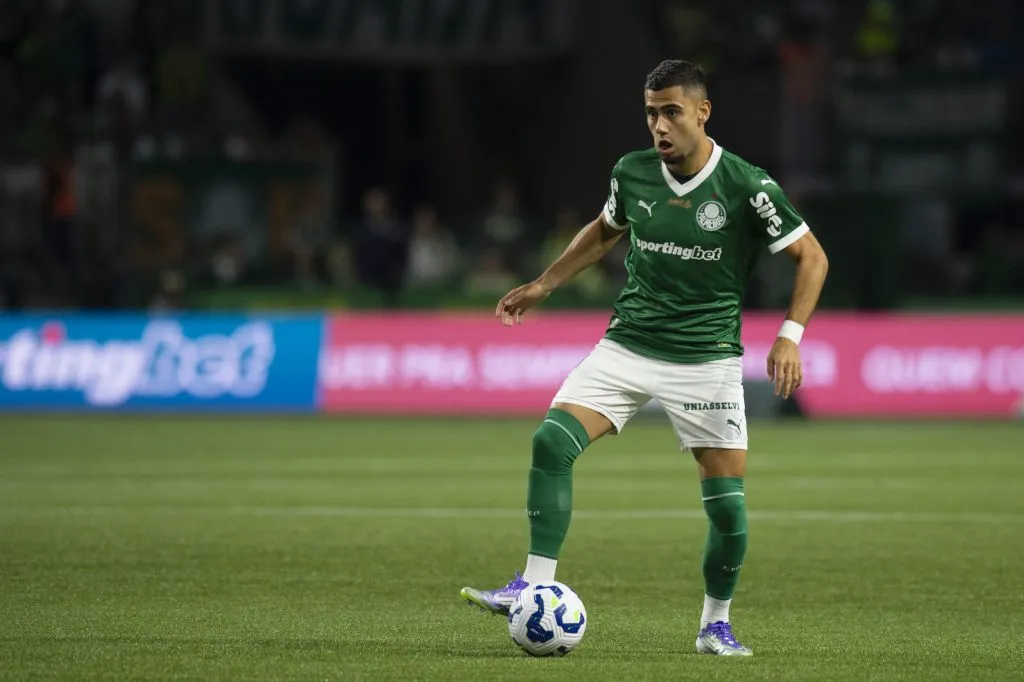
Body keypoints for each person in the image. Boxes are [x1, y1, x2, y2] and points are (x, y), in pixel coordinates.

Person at [459, 59, 829, 657]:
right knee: (551, 442)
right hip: (628, 344)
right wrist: (544, 284)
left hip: (706, 359)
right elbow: (606, 230)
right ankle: (533, 582)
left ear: (702, 112)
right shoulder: (632, 172)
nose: (660, 125)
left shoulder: (746, 185)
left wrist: (789, 334)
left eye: (672, 112)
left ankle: (715, 624)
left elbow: (812, 258)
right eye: (652, 113)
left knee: (729, 510)